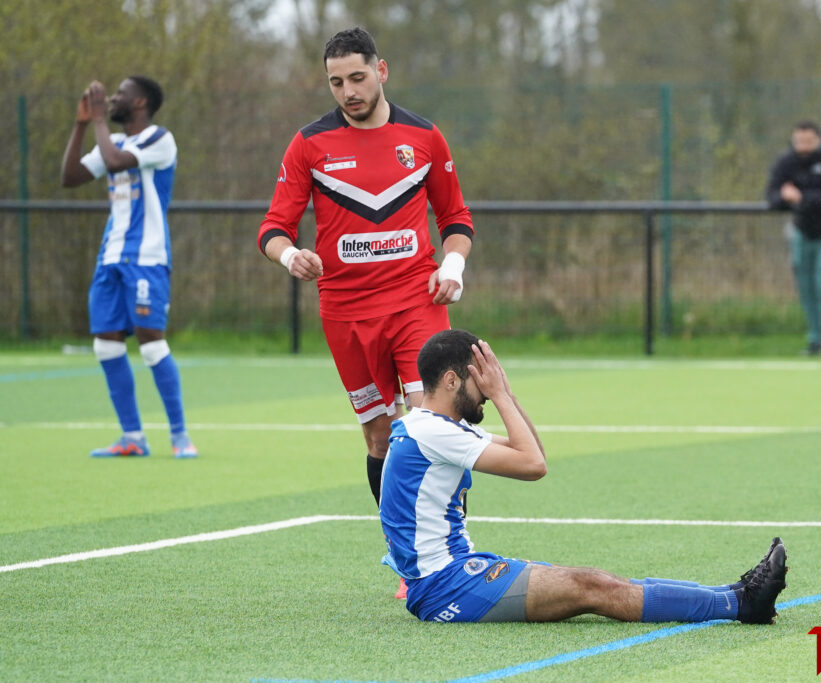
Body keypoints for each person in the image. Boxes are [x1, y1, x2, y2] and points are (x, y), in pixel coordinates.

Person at [257, 27, 473, 598]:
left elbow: (456, 221)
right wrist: (292, 256)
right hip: (346, 312)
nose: (348, 91)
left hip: (415, 304)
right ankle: (408, 560)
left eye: (357, 77)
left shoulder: (424, 137)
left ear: (382, 70)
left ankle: (450, 551)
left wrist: (451, 269)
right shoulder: (308, 144)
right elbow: (274, 228)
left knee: (432, 427)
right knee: (380, 436)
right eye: (335, 82)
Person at [379, 329, 789, 624]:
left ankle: (736, 595)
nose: (485, 390)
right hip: (442, 587)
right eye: (478, 380)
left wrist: (506, 391)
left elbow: (535, 451)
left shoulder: (435, 427)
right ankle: (742, 604)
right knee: (591, 586)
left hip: (457, 571)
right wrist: (501, 396)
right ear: (452, 381)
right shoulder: (432, 431)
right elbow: (533, 467)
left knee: (600, 581)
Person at [61, 76, 197, 459]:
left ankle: (180, 435)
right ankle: (132, 436)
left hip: (147, 258)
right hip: (111, 258)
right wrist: (82, 124)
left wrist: (101, 120)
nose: (113, 99)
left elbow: (118, 162)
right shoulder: (113, 140)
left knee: (151, 342)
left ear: (140, 103)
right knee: (106, 344)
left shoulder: (159, 139)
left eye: (120, 94)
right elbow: (69, 178)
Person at [766, 121, 821, 355]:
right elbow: (772, 195)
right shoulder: (786, 162)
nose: (802, 146)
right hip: (802, 231)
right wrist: (784, 197)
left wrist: (801, 197)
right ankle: (815, 338)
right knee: (806, 286)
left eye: (808, 141)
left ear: (818, 140)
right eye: (798, 141)